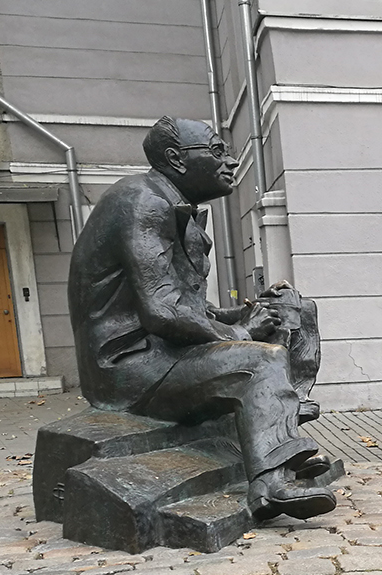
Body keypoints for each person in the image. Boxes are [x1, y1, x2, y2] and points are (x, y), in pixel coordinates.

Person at [67, 116, 335, 521]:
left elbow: (187, 307)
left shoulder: (173, 207)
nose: (231, 160)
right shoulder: (143, 202)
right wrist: (240, 331)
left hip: (164, 349)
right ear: (176, 159)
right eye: (216, 151)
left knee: (294, 310)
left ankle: (283, 435)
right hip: (130, 366)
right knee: (258, 361)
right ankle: (270, 485)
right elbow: (162, 311)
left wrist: (245, 314)